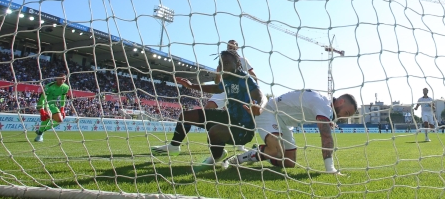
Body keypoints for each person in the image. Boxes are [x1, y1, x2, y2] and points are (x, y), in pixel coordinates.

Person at [151, 50, 265, 171]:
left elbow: (260, 95)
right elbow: (215, 88)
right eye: (220, 64)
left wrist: (258, 106)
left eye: (226, 63)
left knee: (214, 131)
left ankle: (217, 156)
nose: (222, 67)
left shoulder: (245, 79)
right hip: (229, 117)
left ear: (237, 64)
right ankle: (174, 146)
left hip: (243, 128)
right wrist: (191, 86)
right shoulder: (227, 79)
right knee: (186, 116)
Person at [222, 90, 357, 174]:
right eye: (347, 112)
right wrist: (330, 168)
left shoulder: (324, 104)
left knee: (289, 163)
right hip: (270, 112)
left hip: (285, 122)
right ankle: (236, 159)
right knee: (276, 152)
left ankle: (260, 152)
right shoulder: (323, 104)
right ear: (341, 101)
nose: (344, 117)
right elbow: (326, 136)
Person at [204, 40, 260, 152]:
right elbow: (216, 82)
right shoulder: (222, 61)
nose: (231, 46)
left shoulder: (243, 60)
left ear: (237, 48)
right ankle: (217, 139)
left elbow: (253, 75)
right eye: (229, 45)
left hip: (239, 90)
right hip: (224, 88)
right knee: (208, 108)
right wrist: (218, 73)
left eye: (233, 44)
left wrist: (253, 89)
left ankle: (239, 141)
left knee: (240, 114)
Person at [34, 73, 69, 142]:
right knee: (48, 117)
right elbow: (43, 98)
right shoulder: (49, 86)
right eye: (60, 78)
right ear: (56, 78)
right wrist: (42, 109)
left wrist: (62, 108)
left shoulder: (66, 87)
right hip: (43, 103)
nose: (61, 80)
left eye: (63, 79)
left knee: (60, 120)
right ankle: (39, 136)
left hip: (52, 104)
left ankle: (40, 130)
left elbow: (63, 98)